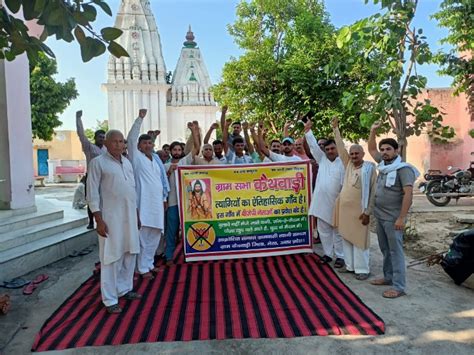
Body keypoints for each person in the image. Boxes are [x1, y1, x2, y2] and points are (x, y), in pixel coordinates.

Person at [87, 129, 142, 314]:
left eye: (121, 141)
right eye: (115, 141)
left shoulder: (126, 162)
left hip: (129, 216)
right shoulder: (98, 163)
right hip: (110, 217)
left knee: (129, 252)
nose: (119, 144)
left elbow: (132, 190)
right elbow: (92, 193)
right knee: (111, 257)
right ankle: (109, 299)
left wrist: (136, 214)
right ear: (106, 143)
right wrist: (98, 219)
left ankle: (124, 289)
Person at [367, 121, 419, 298]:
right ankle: (388, 277)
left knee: (395, 251)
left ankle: (398, 286)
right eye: (383, 149)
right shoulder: (383, 165)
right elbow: (371, 149)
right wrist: (373, 131)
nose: (384, 152)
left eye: (388, 149)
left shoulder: (404, 169)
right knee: (385, 249)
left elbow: (408, 195)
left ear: (396, 151)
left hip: (394, 218)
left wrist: (401, 218)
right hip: (380, 216)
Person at [127, 109, 170, 280]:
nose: (148, 146)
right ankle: (141, 268)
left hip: (157, 204)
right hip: (143, 204)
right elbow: (130, 138)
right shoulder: (136, 158)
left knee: (155, 235)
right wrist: (140, 119)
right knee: (143, 236)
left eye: (150, 144)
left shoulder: (155, 160)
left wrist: (164, 199)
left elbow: (160, 181)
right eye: (144, 143)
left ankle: (149, 264)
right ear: (138, 146)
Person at [332, 118, 376, 280]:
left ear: (363, 154)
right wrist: (336, 129)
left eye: (357, 153)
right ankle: (350, 266)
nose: (353, 155)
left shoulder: (370, 169)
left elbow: (373, 192)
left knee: (359, 241)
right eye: (351, 153)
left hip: (360, 212)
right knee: (346, 238)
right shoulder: (348, 164)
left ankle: (362, 270)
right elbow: (340, 147)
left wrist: (368, 211)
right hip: (344, 211)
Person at [304, 118, 345, 268]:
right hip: (321, 203)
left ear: (337, 149)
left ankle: (340, 256)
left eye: (332, 149)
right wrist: (308, 131)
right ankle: (328, 254)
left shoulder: (343, 162)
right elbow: (314, 147)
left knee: (338, 232)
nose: (330, 151)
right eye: (327, 149)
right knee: (324, 231)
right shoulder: (322, 160)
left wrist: (335, 129)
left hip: (337, 203)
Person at [164, 122, 201, 266]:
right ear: (171, 151)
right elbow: (161, 183)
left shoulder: (185, 161)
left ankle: (190, 255)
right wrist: (169, 172)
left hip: (187, 202)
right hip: (173, 202)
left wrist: (194, 132)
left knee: (188, 230)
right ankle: (169, 257)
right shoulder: (165, 166)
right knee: (171, 231)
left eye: (179, 149)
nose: (177, 151)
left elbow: (197, 148)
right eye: (175, 149)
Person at [76, 110, 107, 229]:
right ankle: (91, 221)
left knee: (103, 199)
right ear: (95, 137)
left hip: (104, 177)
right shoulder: (89, 147)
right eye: (100, 137)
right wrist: (78, 119)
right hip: (92, 177)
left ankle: (103, 219)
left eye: (104, 137)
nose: (102, 139)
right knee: (91, 199)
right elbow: (81, 134)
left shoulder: (106, 149)